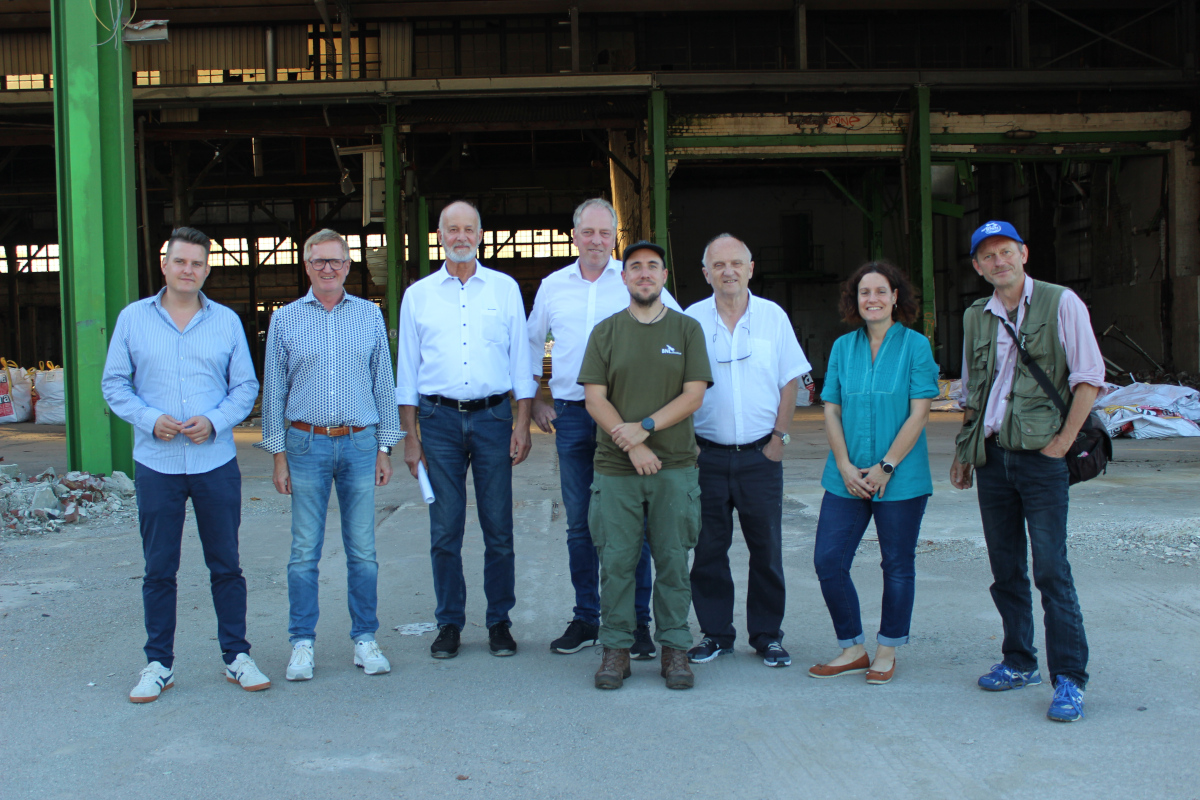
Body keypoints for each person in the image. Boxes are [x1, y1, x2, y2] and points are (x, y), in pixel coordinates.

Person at [102, 226, 269, 702]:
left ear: (207, 270)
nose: (188, 270)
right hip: (156, 463)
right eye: (180, 262)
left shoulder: (226, 322)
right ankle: (158, 664)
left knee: (226, 564)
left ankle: (236, 656)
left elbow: (245, 386)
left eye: (197, 263)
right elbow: (114, 383)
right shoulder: (134, 319)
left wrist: (215, 421)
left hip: (213, 461)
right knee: (159, 569)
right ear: (165, 264)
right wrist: (149, 419)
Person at [950, 220, 1103, 723]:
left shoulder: (1062, 304)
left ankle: (1069, 680)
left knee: (1052, 571)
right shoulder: (977, 316)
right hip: (993, 457)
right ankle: (1019, 661)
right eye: (988, 256)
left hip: (1042, 459)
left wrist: (1061, 445)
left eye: (1006, 252)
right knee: (1005, 569)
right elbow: (973, 390)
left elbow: (1088, 380)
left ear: (1024, 254)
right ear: (978, 267)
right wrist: (964, 451)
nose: (999, 261)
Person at [526, 198, 682, 659]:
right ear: (573, 235)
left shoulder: (635, 279)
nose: (596, 241)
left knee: (633, 525)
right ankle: (587, 618)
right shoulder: (554, 287)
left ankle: (636, 623)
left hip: (631, 419)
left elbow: (678, 328)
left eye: (603, 233)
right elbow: (535, 343)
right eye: (587, 232)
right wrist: (537, 395)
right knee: (581, 526)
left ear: (613, 236)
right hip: (574, 416)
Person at [259, 228, 402, 681]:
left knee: (363, 550)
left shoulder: (368, 316)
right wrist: (278, 454)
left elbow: (384, 384)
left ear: (347, 265)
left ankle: (365, 639)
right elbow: (274, 391)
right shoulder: (285, 320)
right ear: (306, 266)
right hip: (306, 443)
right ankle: (302, 643)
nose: (327, 268)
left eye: (336, 261)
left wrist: (384, 447)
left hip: (361, 442)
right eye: (318, 261)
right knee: (304, 551)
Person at [397, 200, 537, 659]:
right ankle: (450, 624)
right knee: (445, 530)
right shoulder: (418, 295)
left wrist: (522, 423)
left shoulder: (504, 289)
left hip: (495, 418)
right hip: (437, 423)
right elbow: (408, 372)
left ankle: (499, 621)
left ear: (480, 234)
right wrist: (410, 436)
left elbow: (521, 360)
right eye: (452, 229)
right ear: (440, 236)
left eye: (469, 228)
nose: (461, 236)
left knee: (499, 528)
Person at [578, 240, 711, 690]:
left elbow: (694, 394)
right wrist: (632, 444)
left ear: (664, 276)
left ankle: (674, 648)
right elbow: (594, 397)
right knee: (616, 561)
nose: (644, 274)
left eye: (652, 267)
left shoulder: (687, 329)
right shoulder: (606, 332)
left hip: (674, 467)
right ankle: (616, 649)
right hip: (615, 470)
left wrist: (647, 427)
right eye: (635, 267)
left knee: (673, 561)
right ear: (624, 278)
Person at [808, 259, 938, 686]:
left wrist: (886, 466)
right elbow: (831, 409)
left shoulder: (915, 346)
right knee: (828, 560)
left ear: (896, 297)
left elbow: (919, 413)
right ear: (855, 300)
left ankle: (886, 650)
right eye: (865, 293)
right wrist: (844, 464)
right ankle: (852, 647)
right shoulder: (843, 347)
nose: (873, 299)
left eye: (881, 291)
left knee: (897, 565)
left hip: (900, 477)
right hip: (845, 476)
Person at [684, 234, 809, 668]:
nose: (728, 271)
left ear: (751, 268)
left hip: (761, 455)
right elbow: (678, 387)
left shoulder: (773, 317)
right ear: (706, 273)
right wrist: (690, 448)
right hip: (707, 457)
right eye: (718, 265)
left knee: (767, 549)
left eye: (736, 263)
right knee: (708, 550)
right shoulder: (690, 320)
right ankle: (716, 634)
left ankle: (767, 636)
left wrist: (780, 438)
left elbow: (789, 379)